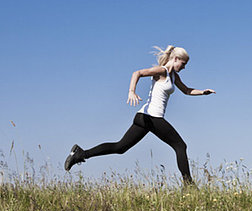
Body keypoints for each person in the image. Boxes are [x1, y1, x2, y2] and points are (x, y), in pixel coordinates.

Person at [64, 45, 215, 185]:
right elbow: (138, 73)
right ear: (175, 59)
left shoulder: (174, 76)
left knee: (120, 147)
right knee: (180, 146)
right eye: (183, 63)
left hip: (143, 117)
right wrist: (131, 91)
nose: (184, 67)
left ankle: (81, 154)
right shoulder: (161, 71)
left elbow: (187, 90)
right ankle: (189, 185)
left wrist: (203, 92)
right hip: (152, 117)